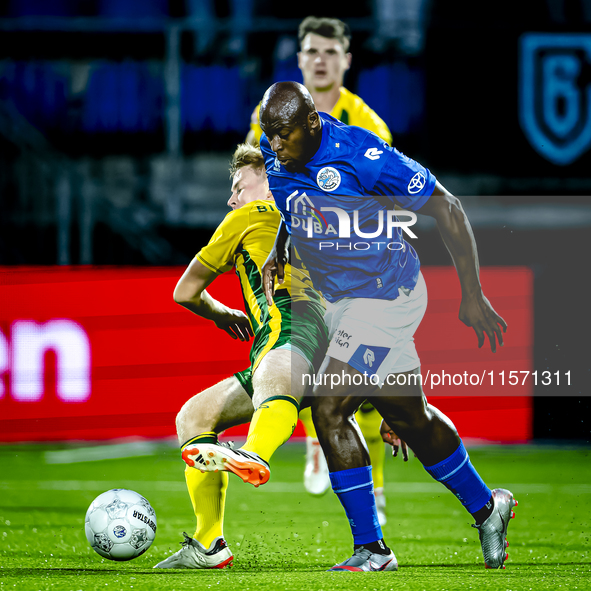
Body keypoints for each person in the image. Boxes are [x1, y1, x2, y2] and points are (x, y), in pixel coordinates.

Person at [256, 81, 517, 572]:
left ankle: (372, 550)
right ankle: (489, 508)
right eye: (268, 135)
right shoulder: (279, 156)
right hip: (343, 304)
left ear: (312, 124)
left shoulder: (362, 155)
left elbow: (447, 206)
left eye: (283, 134)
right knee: (410, 419)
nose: (274, 145)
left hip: (386, 297)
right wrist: (279, 249)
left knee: (328, 407)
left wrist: (472, 293)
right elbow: (297, 207)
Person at [153, 143, 328, 569]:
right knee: (194, 416)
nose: (232, 199)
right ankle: (209, 546)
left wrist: (220, 313)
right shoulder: (320, 217)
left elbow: (184, 292)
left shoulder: (249, 216)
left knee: (272, 377)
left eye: (238, 186)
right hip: (331, 334)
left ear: (268, 180)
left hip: (290, 328)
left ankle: (254, 453)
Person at [248, 15, 393, 518]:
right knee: (306, 358)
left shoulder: (368, 125)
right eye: (312, 51)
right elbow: (264, 179)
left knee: (364, 382)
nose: (321, 60)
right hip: (295, 258)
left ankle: (367, 485)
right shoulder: (270, 113)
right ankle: (328, 451)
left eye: (331, 52)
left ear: (347, 60)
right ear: (300, 58)